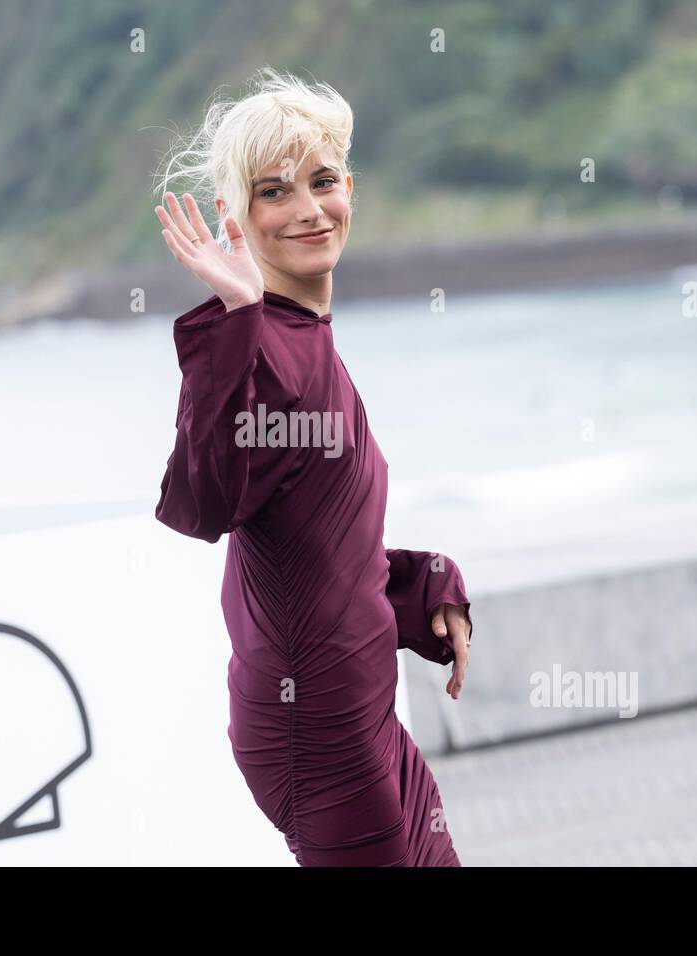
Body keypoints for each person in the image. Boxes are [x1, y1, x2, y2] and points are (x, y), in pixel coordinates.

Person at [152, 68, 473, 866]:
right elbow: (202, 501)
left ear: (349, 190)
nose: (306, 207)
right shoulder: (263, 347)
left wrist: (426, 585)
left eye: (322, 180)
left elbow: (316, 544)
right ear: (236, 218)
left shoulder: (306, 339)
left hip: (359, 707)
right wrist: (236, 320)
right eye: (273, 191)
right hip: (317, 729)